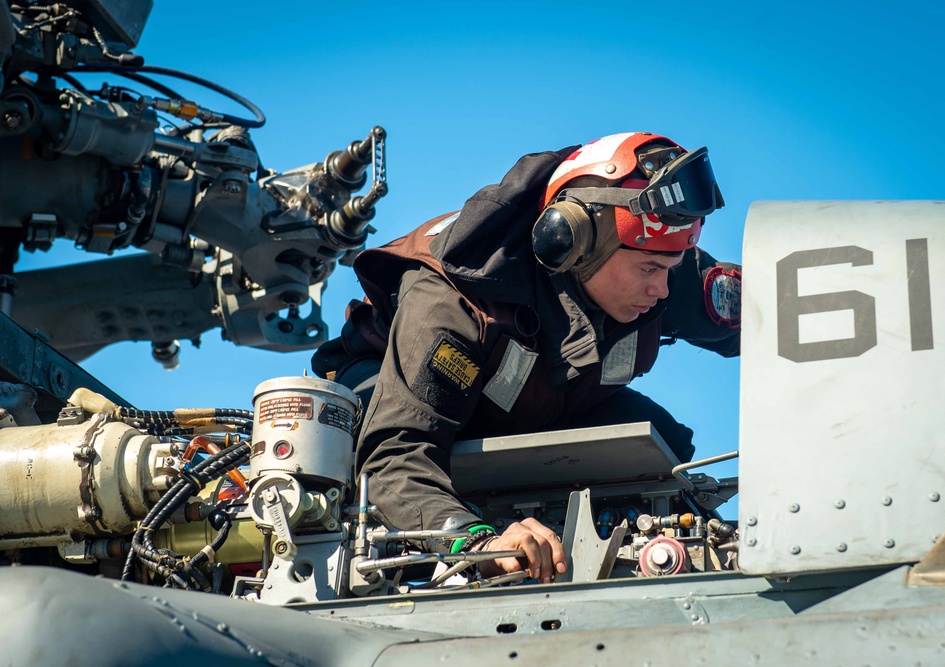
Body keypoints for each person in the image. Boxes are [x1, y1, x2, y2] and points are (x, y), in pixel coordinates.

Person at [312, 132, 741, 583]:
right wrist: (477, 543)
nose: (663, 291)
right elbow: (394, 455)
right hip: (413, 411)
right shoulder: (454, 302)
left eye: (670, 269)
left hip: (544, 402)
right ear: (572, 244)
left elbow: (777, 314)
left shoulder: (658, 255)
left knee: (661, 444)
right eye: (649, 271)